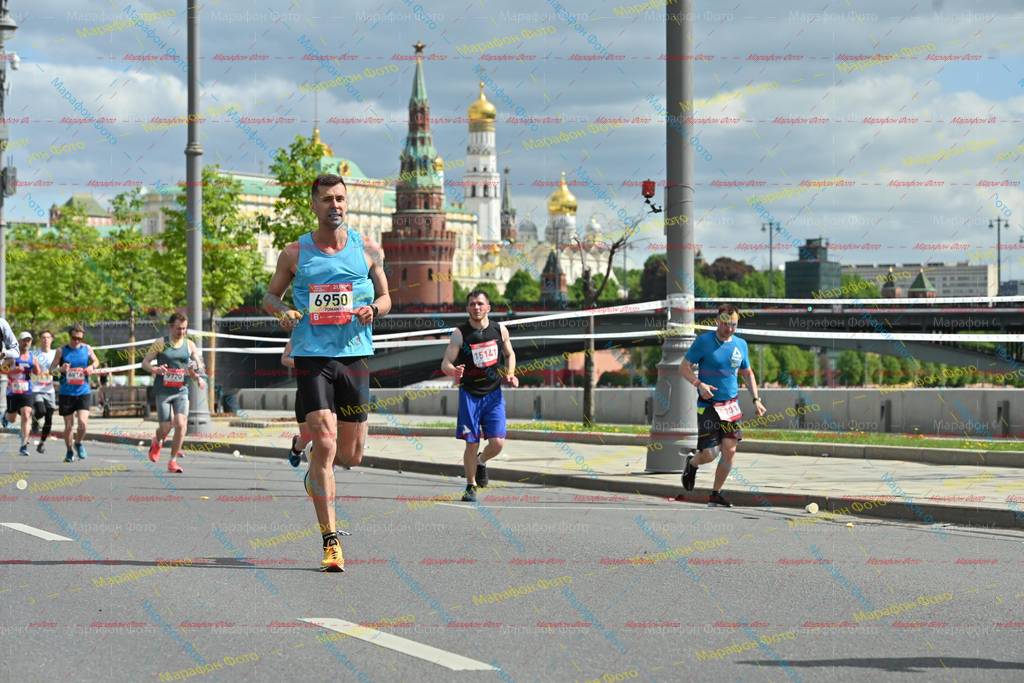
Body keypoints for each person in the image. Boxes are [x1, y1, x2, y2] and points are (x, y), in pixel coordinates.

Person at [263, 173, 390, 572]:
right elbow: (269, 296)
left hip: (354, 357)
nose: (334, 205)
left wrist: (375, 309)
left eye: (340, 199)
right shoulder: (294, 253)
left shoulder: (368, 249)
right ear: (314, 205)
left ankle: (317, 475)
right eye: (326, 199)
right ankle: (330, 540)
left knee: (351, 455)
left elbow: (386, 297)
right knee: (327, 441)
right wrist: (282, 312)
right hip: (312, 357)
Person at [679, 304, 767, 507]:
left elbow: (747, 373)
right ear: (717, 320)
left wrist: (756, 399)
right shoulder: (704, 342)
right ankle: (692, 463)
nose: (729, 328)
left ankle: (715, 493)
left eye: (733, 324)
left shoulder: (740, 344)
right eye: (726, 324)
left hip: (731, 406)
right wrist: (698, 384)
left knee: (730, 450)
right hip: (708, 405)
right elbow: (683, 368)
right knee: (710, 454)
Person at [441, 289, 518, 503]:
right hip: (470, 395)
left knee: (498, 443)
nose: (476, 307)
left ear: (488, 308)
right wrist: (453, 371)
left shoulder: (500, 330)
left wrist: (510, 374)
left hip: (493, 394)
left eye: (480, 304)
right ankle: (470, 485)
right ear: (467, 308)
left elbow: (510, 354)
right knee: (471, 442)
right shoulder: (460, 333)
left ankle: (481, 461)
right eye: (472, 304)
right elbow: (445, 362)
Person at [142, 313, 207, 474]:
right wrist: (155, 369)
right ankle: (157, 441)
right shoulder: (160, 343)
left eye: (184, 328)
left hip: (181, 391)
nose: (182, 332)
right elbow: (145, 363)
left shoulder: (189, 345)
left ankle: (172, 461)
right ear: (171, 327)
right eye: (179, 328)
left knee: (180, 423)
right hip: (163, 391)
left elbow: (197, 364)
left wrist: (198, 375)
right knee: (165, 428)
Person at [50, 324, 101, 463]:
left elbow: (96, 360)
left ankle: (78, 443)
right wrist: (61, 369)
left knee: (83, 424)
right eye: (74, 338)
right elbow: (51, 370)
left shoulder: (87, 348)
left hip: (83, 390)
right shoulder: (61, 351)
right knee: (68, 425)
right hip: (66, 393)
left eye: (79, 338)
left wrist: (92, 366)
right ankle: (69, 450)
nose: (77, 341)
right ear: (69, 336)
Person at [2, 332, 41, 456]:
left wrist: (35, 368)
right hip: (12, 391)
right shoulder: (12, 356)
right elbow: (2, 370)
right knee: (12, 419)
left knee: (26, 414)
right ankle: (5, 416)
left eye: (28, 340)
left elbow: (37, 372)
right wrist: (14, 370)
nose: (26, 343)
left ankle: (24, 445)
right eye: (24, 340)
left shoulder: (32, 357)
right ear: (19, 341)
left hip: (26, 390)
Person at [281, 338, 311, 468]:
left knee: (327, 433)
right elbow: (284, 359)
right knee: (307, 437)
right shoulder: (298, 337)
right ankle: (296, 448)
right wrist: (303, 364)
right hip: (305, 392)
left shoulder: (328, 334)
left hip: (327, 392)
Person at [31, 330, 58, 453]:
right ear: (40, 340)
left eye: (48, 337)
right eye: (43, 337)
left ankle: (41, 443)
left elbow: (60, 368)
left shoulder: (56, 353)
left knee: (49, 419)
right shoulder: (35, 353)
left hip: (49, 390)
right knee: (41, 410)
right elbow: (31, 369)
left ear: (52, 339)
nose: (45, 339)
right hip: (37, 389)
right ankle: (34, 420)